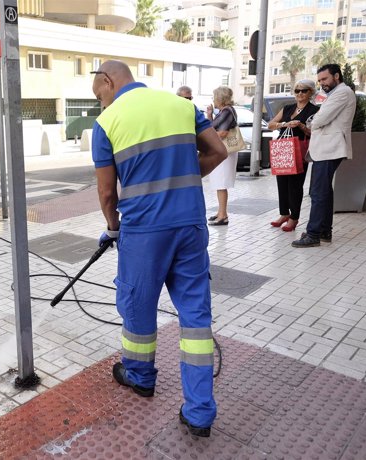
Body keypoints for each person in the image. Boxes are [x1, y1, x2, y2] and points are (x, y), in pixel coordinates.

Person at [91, 60, 227, 437]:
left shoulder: (106, 123)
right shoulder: (182, 107)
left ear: (107, 80)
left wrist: (113, 228)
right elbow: (218, 152)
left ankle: (139, 376)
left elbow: (106, 193)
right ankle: (199, 413)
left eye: (99, 94)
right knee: (196, 316)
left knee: (137, 304)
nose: (101, 102)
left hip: (144, 232)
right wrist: (179, 179)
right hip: (189, 225)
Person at [292, 64, 356, 248]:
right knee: (324, 191)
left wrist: (314, 120)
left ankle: (313, 234)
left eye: (325, 79)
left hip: (330, 147)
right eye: (319, 80)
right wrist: (315, 119)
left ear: (336, 76)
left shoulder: (342, 92)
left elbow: (319, 119)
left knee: (318, 192)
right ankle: (324, 230)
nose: (322, 83)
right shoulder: (333, 94)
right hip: (327, 148)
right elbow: (317, 119)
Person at [267, 79, 319, 232]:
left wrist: (302, 126)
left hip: (300, 149)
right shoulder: (288, 108)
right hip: (284, 148)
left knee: (295, 185)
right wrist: (284, 124)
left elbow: (314, 132)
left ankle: (294, 217)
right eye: (297, 90)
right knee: (282, 181)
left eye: (304, 90)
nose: (300, 94)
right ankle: (284, 213)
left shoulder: (314, 110)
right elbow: (270, 124)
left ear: (310, 92)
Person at [206, 86, 239, 226]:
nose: (214, 100)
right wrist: (210, 115)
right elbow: (215, 126)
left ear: (220, 98)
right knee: (220, 183)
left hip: (225, 152)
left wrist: (207, 137)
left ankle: (223, 215)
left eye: (215, 97)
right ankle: (221, 212)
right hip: (224, 152)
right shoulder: (224, 111)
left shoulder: (227, 111)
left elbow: (223, 132)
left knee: (221, 183)